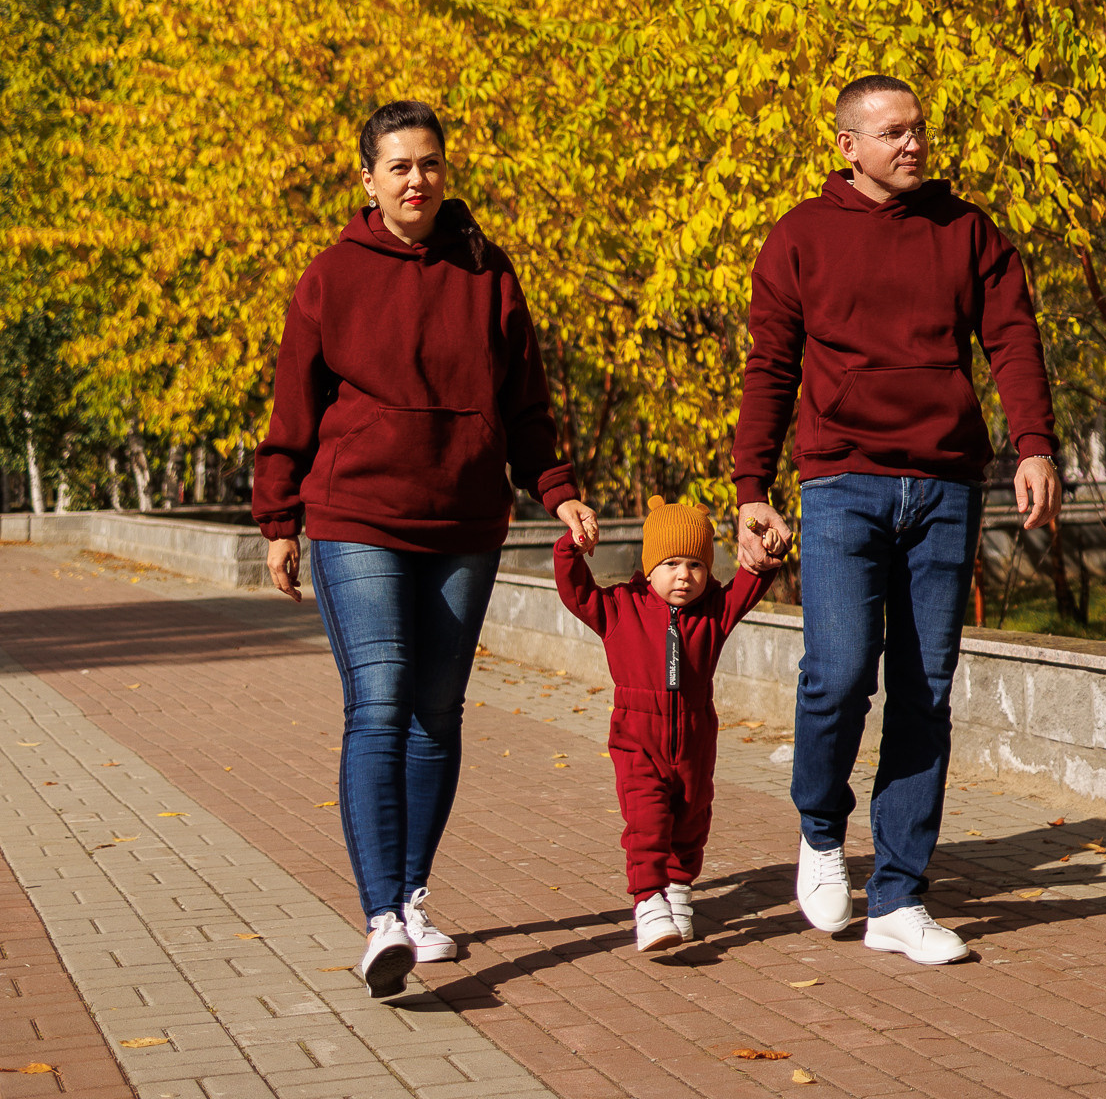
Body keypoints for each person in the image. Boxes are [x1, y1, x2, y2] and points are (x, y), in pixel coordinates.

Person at [253, 100, 596, 999]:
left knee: (437, 713)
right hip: (356, 515)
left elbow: (525, 399)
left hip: (464, 520)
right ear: (367, 180)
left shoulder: (486, 270)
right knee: (379, 701)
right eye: (400, 166)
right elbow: (294, 402)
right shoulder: (331, 274)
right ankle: (380, 922)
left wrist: (556, 488)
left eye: (430, 164)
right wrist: (278, 518)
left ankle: (411, 896)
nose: (417, 180)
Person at [732, 73, 1061, 966]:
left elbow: (1012, 339)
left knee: (925, 691)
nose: (912, 143)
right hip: (842, 481)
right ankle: (819, 827)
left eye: (918, 128)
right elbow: (770, 365)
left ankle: (898, 898)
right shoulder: (801, 236)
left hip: (946, 484)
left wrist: (1033, 445)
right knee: (838, 673)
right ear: (847, 145)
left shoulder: (968, 231)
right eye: (891, 132)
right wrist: (751, 487)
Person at [555, 496, 779, 954]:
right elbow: (576, 591)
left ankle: (677, 888)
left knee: (692, 817)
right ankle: (647, 901)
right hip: (637, 738)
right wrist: (570, 550)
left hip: (695, 738)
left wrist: (765, 553)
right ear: (649, 567)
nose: (684, 575)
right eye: (671, 563)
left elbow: (751, 581)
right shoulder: (621, 606)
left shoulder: (714, 611)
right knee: (647, 820)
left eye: (696, 565)